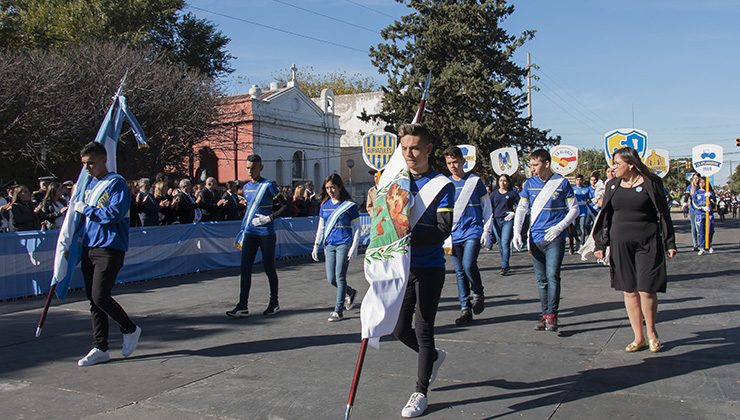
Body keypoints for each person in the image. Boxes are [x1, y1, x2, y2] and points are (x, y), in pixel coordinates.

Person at [392, 124, 454, 418]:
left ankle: (420, 392)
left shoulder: (443, 185)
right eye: (404, 148)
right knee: (399, 330)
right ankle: (433, 359)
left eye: (414, 148)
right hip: (402, 265)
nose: (409, 154)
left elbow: (443, 229)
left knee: (423, 328)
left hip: (429, 266)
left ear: (428, 149)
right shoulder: (396, 179)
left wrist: (407, 234)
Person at [592, 146, 676, 354]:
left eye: (617, 163)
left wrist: (669, 242)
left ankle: (652, 333)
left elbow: (663, 214)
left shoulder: (651, 183)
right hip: (620, 243)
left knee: (647, 289)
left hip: (648, 242)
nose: (614, 167)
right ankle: (638, 337)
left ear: (631, 164)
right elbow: (604, 217)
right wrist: (600, 244)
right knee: (629, 290)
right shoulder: (612, 185)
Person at [73, 142, 141, 367]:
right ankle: (100, 347)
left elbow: (114, 212)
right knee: (93, 300)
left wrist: (87, 209)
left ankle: (129, 328)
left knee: (100, 295)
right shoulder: (90, 185)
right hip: (90, 246)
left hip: (110, 247)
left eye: (91, 163)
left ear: (103, 160)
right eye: (84, 164)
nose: (87, 168)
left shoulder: (116, 183)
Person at [513, 149, 578, 332]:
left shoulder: (562, 183)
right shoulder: (529, 184)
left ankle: (552, 315)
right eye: (531, 165)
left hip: (554, 238)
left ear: (547, 164)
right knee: (541, 279)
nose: (532, 169)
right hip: (535, 238)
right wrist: (517, 232)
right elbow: (522, 209)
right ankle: (544, 313)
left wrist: (560, 227)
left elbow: (574, 209)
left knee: (552, 275)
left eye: (535, 165)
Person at [227, 154, 290, 318]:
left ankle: (274, 302)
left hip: (266, 233)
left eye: (253, 168)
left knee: (269, 268)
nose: (250, 171)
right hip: (250, 232)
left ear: (260, 168)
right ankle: (242, 305)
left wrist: (269, 218)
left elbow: (285, 206)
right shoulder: (246, 187)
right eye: (247, 168)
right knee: (245, 268)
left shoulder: (268, 186)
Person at [443, 146, 491, 325]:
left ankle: (478, 293)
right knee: (459, 271)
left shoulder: (475, 181)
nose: (453, 166)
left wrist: (487, 229)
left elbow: (486, 207)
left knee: (468, 264)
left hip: (473, 229)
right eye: (449, 163)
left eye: (455, 161)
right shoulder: (446, 183)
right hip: (454, 233)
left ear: (463, 161)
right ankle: (465, 309)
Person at [311, 173, 361, 322]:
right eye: (327, 188)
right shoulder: (324, 206)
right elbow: (321, 226)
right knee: (331, 278)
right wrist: (316, 245)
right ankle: (350, 292)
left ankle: (338, 311)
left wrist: (354, 246)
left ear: (339, 187)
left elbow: (357, 227)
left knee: (340, 276)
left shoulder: (349, 205)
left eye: (332, 187)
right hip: (329, 244)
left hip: (344, 243)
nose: (330, 190)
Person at [490, 174, 519, 275]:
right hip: (496, 220)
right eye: (501, 180)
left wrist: (514, 213)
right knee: (500, 245)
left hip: (508, 220)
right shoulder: (493, 194)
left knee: (505, 242)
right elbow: (489, 208)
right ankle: (505, 263)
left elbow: (521, 206)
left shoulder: (512, 193)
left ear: (508, 182)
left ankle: (504, 266)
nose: (502, 183)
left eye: (505, 181)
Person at [692, 177, 715, 255]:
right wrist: (701, 207)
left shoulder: (710, 192)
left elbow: (715, 203)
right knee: (701, 231)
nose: (702, 184)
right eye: (700, 182)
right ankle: (702, 247)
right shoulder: (696, 193)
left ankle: (708, 245)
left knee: (710, 230)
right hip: (699, 214)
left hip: (709, 214)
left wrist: (711, 198)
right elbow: (694, 203)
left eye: (704, 182)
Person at [572, 174, 594, 249]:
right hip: (575, 210)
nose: (579, 181)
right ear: (575, 180)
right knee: (573, 227)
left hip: (583, 211)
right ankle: (577, 240)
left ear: (582, 180)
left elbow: (590, 198)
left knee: (582, 227)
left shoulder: (586, 189)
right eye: (577, 180)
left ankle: (582, 243)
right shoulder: (572, 189)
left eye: (580, 180)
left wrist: (589, 202)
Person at [685, 173, 701, 251]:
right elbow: (686, 196)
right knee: (693, 226)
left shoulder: (701, 186)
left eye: (697, 178)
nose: (696, 180)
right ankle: (695, 245)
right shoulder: (689, 187)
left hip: (701, 208)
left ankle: (702, 243)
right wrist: (684, 203)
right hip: (692, 208)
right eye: (694, 178)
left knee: (700, 226)